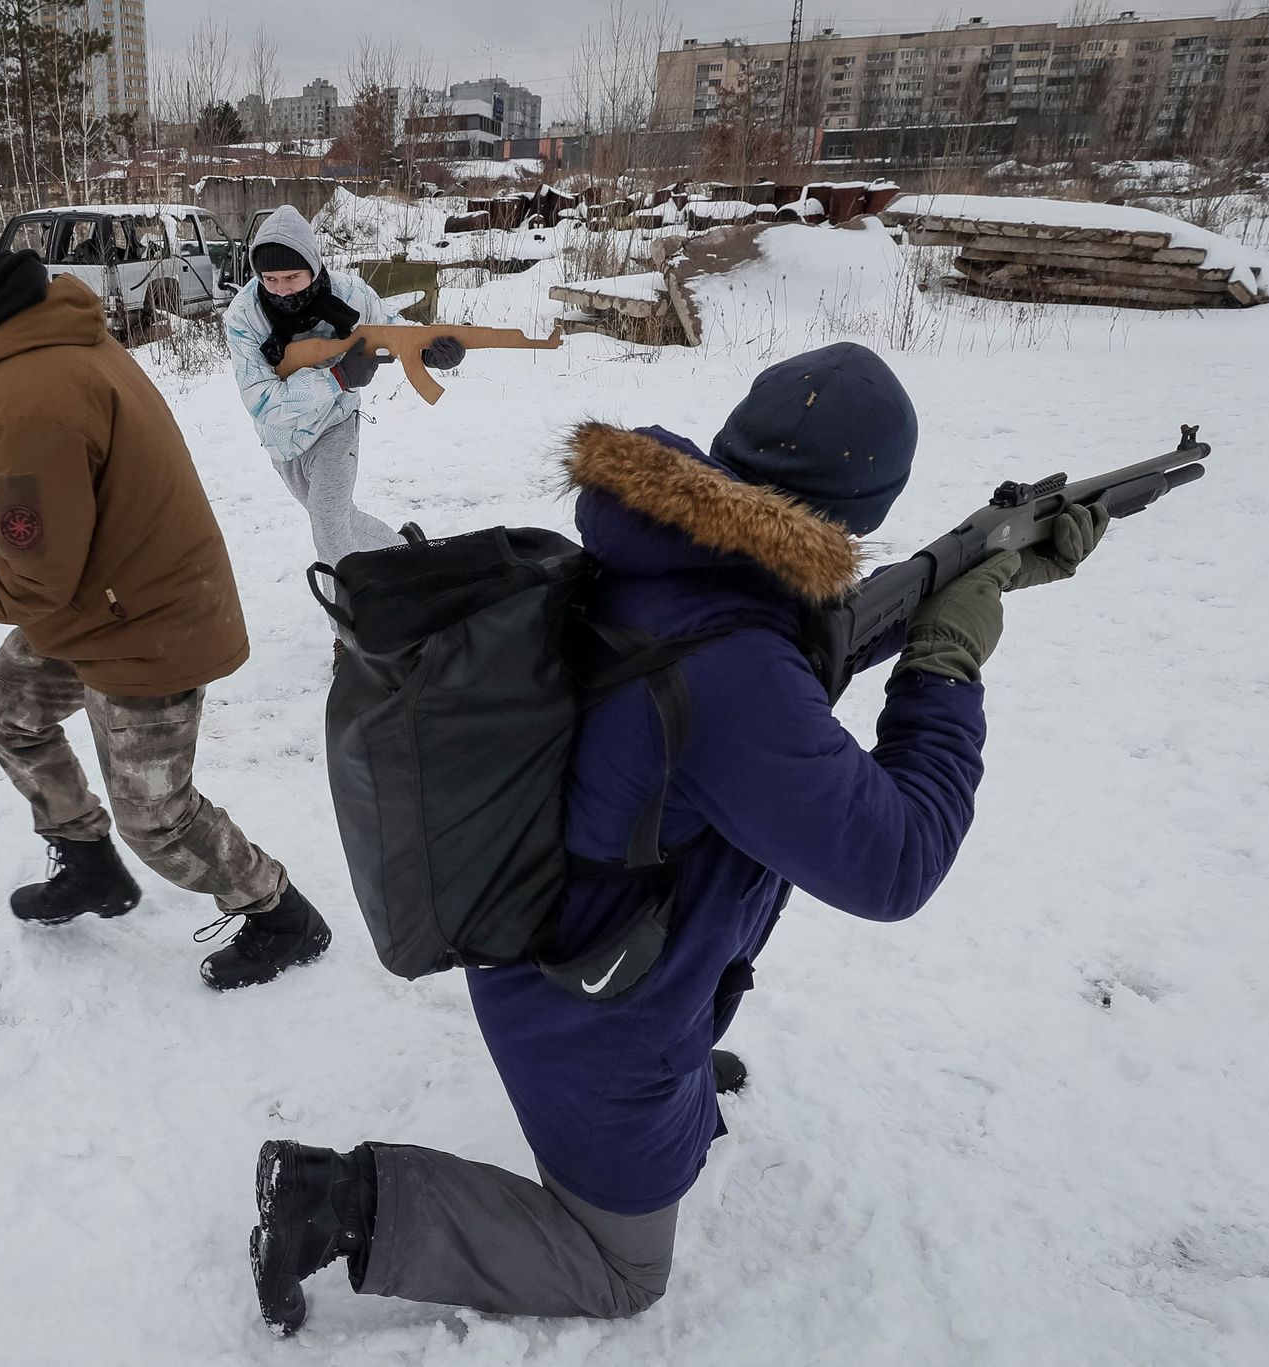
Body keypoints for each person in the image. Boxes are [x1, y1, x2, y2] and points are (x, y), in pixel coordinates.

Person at [247, 342, 1110, 1334]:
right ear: (857, 512)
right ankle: (337, 1202)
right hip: (589, 1003)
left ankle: (682, 1082)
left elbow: (795, 635)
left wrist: (968, 564)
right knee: (618, 1272)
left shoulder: (675, 546)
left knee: (684, 1045)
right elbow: (893, 861)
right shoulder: (733, 669)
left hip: (573, 927)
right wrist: (947, 657)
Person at [0, 187, 331, 991]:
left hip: (146, 624)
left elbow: (27, 574)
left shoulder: (27, 389)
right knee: (6, 710)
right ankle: (87, 864)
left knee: (158, 820)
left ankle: (279, 910)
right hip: (99, 596)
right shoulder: (9, 340)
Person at [223, 206, 466, 593]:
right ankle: (405, 550)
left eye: (292, 277)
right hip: (282, 439)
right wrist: (337, 377)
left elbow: (391, 331)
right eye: (270, 279)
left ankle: (348, 632)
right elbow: (262, 402)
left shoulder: (351, 295)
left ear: (314, 267)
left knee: (329, 525)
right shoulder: (244, 317)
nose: (281, 289)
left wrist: (426, 350)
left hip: (336, 425)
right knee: (339, 518)